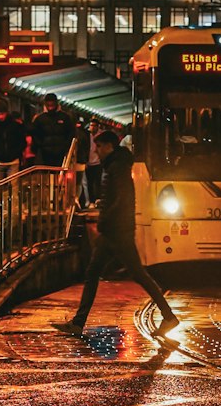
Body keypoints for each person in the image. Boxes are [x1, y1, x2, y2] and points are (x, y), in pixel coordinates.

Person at [62, 128, 178, 334]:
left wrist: (104, 221)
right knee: (100, 272)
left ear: (109, 146)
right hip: (116, 230)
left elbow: (120, 199)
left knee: (132, 274)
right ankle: (78, 322)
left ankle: (168, 316)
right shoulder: (116, 165)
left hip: (117, 231)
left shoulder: (118, 167)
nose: (96, 151)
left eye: (98, 146)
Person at [27, 93, 76, 168]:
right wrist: (40, 145)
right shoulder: (40, 119)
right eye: (49, 102)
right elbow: (35, 133)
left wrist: (66, 146)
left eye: (52, 102)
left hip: (60, 153)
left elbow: (71, 133)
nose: (50, 105)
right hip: (45, 154)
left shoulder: (65, 117)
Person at [0, 104, 27, 179]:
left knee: (13, 186)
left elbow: (22, 141)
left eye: (2, 114)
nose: (1, 117)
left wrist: (16, 153)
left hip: (13, 161)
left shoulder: (15, 126)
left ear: (7, 113)